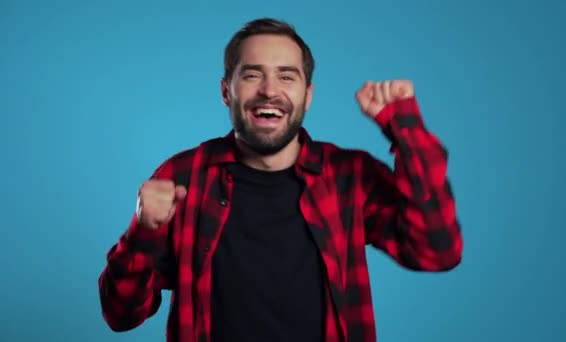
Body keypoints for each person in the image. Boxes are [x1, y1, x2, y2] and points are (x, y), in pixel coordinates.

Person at [98, 17, 463, 342]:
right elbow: (121, 315)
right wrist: (143, 231)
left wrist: (405, 129)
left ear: (308, 94)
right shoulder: (183, 177)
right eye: (253, 74)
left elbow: (437, 251)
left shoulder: (349, 176)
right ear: (227, 91)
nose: (270, 90)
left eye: (287, 76)